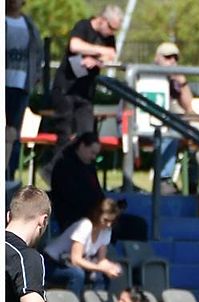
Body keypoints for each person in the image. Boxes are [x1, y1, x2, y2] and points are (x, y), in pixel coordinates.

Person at [49, 5, 122, 159]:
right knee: (64, 134)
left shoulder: (108, 38)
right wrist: (99, 51)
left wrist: (95, 60)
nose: (112, 33)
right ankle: (56, 169)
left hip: (85, 93)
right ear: (102, 20)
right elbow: (75, 46)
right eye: (111, 27)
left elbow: (111, 55)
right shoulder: (83, 26)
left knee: (87, 136)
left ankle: (82, 169)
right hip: (66, 89)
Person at [43, 198, 123, 299]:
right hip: (51, 263)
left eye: (111, 221)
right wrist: (103, 268)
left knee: (103, 276)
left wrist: (112, 268)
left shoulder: (106, 231)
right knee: (77, 274)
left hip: (68, 263)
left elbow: (101, 260)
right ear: (97, 215)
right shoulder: (85, 225)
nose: (108, 224)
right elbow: (76, 260)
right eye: (106, 220)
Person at [5, 0, 44, 180]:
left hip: (21, 85)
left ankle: (9, 175)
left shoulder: (29, 26)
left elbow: (38, 54)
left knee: (14, 133)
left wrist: (36, 75)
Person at [154, 42, 194, 193]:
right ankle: (163, 179)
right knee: (172, 130)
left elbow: (189, 108)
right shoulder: (145, 75)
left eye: (175, 58)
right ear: (157, 58)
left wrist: (182, 83)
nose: (172, 61)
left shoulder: (175, 80)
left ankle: (194, 184)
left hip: (169, 123)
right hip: (143, 123)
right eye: (167, 57)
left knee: (194, 132)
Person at [49, 132, 105, 231]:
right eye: (92, 152)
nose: (93, 157)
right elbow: (71, 196)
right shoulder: (64, 166)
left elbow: (97, 191)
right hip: (74, 217)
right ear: (82, 146)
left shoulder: (89, 166)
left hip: (92, 213)